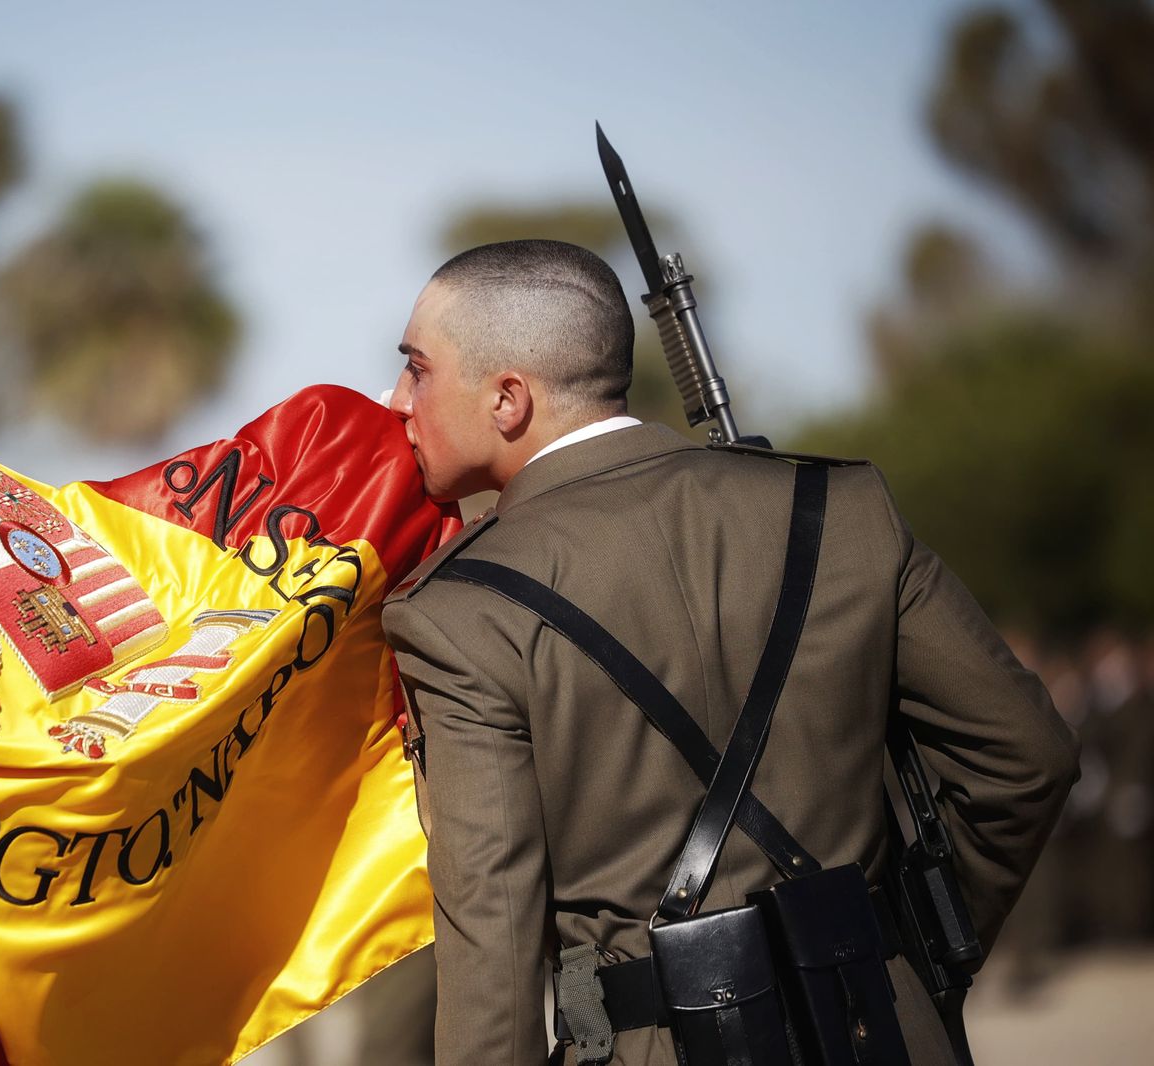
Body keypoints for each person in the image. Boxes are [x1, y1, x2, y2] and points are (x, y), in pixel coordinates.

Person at [380, 239, 1079, 1065]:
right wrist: (910, 948)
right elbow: (1027, 757)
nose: (396, 400)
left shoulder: (458, 610)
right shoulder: (841, 507)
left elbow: (491, 958)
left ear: (508, 398)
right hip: (884, 1026)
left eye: (416, 368)